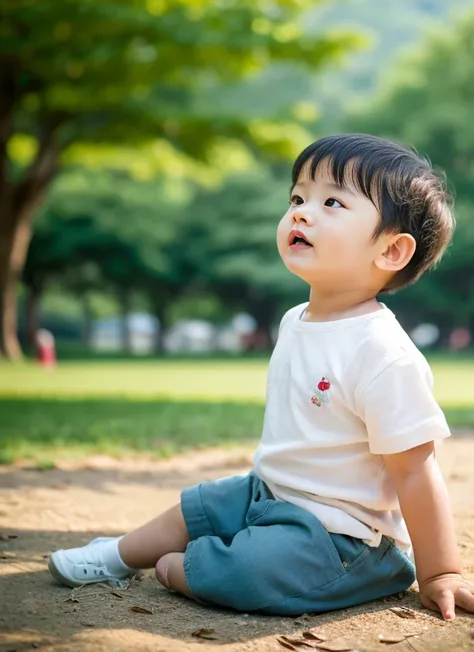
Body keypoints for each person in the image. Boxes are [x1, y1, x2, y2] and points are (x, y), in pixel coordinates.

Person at [48, 134, 474, 620]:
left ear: (392, 251)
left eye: (332, 201)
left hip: (340, 536)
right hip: (269, 491)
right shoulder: (296, 319)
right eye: (297, 197)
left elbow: (416, 470)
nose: (301, 212)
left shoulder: (383, 354)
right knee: (201, 507)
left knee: (243, 573)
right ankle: (117, 554)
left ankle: (192, 568)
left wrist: (440, 572)